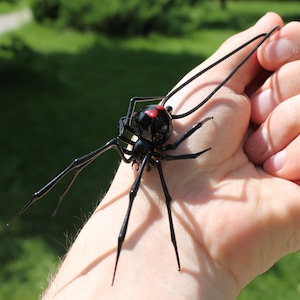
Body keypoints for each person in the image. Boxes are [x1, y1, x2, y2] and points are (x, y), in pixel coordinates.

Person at [42, 12, 300, 299]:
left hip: (156, 125)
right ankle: (151, 259)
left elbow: (172, 154)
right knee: (84, 163)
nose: (136, 164)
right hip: (153, 126)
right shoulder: (145, 150)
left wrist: (195, 128)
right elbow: (154, 134)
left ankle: (259, 39)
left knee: (140, 190)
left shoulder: (153, 150)